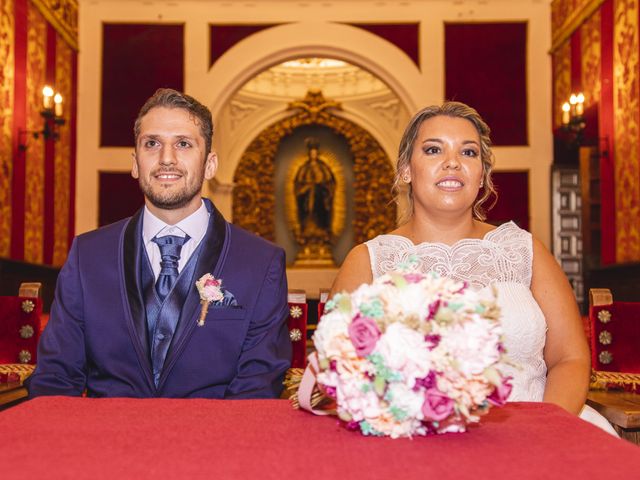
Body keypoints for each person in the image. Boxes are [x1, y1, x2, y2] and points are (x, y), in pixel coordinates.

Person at [330, 101, 616, 434]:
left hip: (542, 430)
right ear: (406, 169)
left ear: (482, 174)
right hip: (412, 443)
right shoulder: (368, 262)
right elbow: (341, 373)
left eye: (468, 153)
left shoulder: (524, 250)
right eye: (434, 150)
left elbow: (570, 358)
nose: (452, 163)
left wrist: (545, 429)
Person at [26, 88, 291, 399]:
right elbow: (56, 378)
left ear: (210, 164)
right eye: (152, 144)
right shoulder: (88, 255)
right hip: (104, 442)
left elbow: (257, 389)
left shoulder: (260, 262)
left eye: (183, 144)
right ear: (136, 162)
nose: (167, 158)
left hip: (214, 444)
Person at [294, 138, 336, 243]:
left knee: (321, 213)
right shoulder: (304, 168)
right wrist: (305, 189)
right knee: (308, 212)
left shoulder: (323, 168)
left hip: (320, 198)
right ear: (309, 154)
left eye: (315, 153)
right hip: (307, 198)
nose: (313, 155)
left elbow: (330, 183)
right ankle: (306, 230)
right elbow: (298, 185)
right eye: (311, 153)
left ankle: (323, 231)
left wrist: (322, 188)